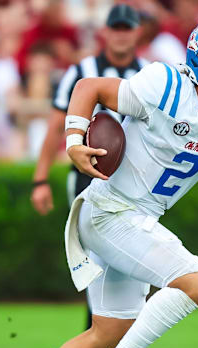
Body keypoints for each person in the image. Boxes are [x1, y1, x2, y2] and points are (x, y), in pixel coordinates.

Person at [0, 17, 198, 348]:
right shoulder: (166, 85)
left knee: (105, 333)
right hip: (111, 210)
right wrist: (73, 139)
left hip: (136, 221)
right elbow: (89, 87)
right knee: (195, 282)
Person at [30, 3, 148, 330]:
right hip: (86, 176)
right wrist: (40, 179)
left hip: (134, 179)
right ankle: (99, 333)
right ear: (105, 32)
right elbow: (56, 126)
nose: (122, 35)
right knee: (100, 256)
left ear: (137, 32)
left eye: (128, 29)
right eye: (117, 28)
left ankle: (103, 334)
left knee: (124, 258)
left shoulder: (149, 74)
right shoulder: (83, 70)